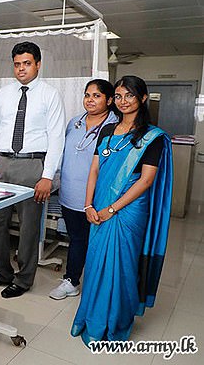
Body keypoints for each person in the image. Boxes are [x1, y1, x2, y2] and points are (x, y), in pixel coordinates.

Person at [71, 76, 173, 345]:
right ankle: (90, 319)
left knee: (123, 266)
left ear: (142, 98)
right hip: (99, 206)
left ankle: (115, 323)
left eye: (129, 95)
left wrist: (112, 209)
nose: (123, 101)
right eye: (118, 96)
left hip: (128, 210)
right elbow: (94, 170)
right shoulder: (107, 131)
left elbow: (146, 180)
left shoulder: (153, 137)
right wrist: (89, 204)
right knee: (94, 264)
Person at [0, 41, 65, 299]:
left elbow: (57, 137)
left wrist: (47, 175)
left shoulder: (50, 95)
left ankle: (24, 279)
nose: (21, 69)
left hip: (32, 166)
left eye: (27, 63)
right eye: (17, 64)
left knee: (28, 227)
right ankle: (2, 273)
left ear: (38, 64)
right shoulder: (4, 94)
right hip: (2, 164)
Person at [49, 79, 118, 300]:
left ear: (109, 100)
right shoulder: (74, 122)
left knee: (100, 242)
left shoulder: (116, 127)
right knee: (77, 238)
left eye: (96, 95)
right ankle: (71, 281)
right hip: (70, 192)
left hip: (99, 197)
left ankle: (100, 286)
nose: (90, 99)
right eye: (87, 95)